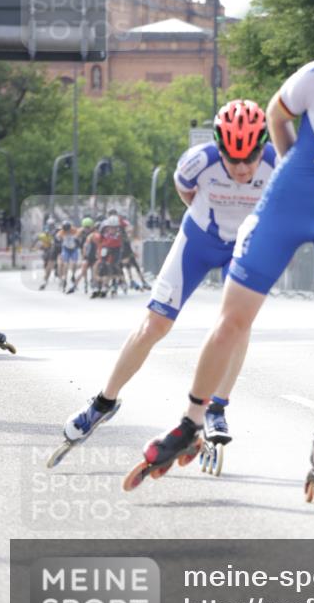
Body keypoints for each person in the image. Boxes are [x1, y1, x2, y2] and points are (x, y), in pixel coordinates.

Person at [126, 0, 314, 495]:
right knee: (233, 323)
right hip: (285, 205)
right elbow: (276, 113)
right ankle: (191, 420)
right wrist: (288, 167)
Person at [55, 100, 276, 457]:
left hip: (245, 245)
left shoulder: (278, 165)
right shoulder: (197, 162)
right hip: (199, 240)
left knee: (237, 324)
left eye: (249, 158)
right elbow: (185, 191)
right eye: (231, 158)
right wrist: (209, 217)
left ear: (262, 146)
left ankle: (217, 407)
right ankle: (103, 402)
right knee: (153, 325)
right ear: (219, 148)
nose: (241, 167)